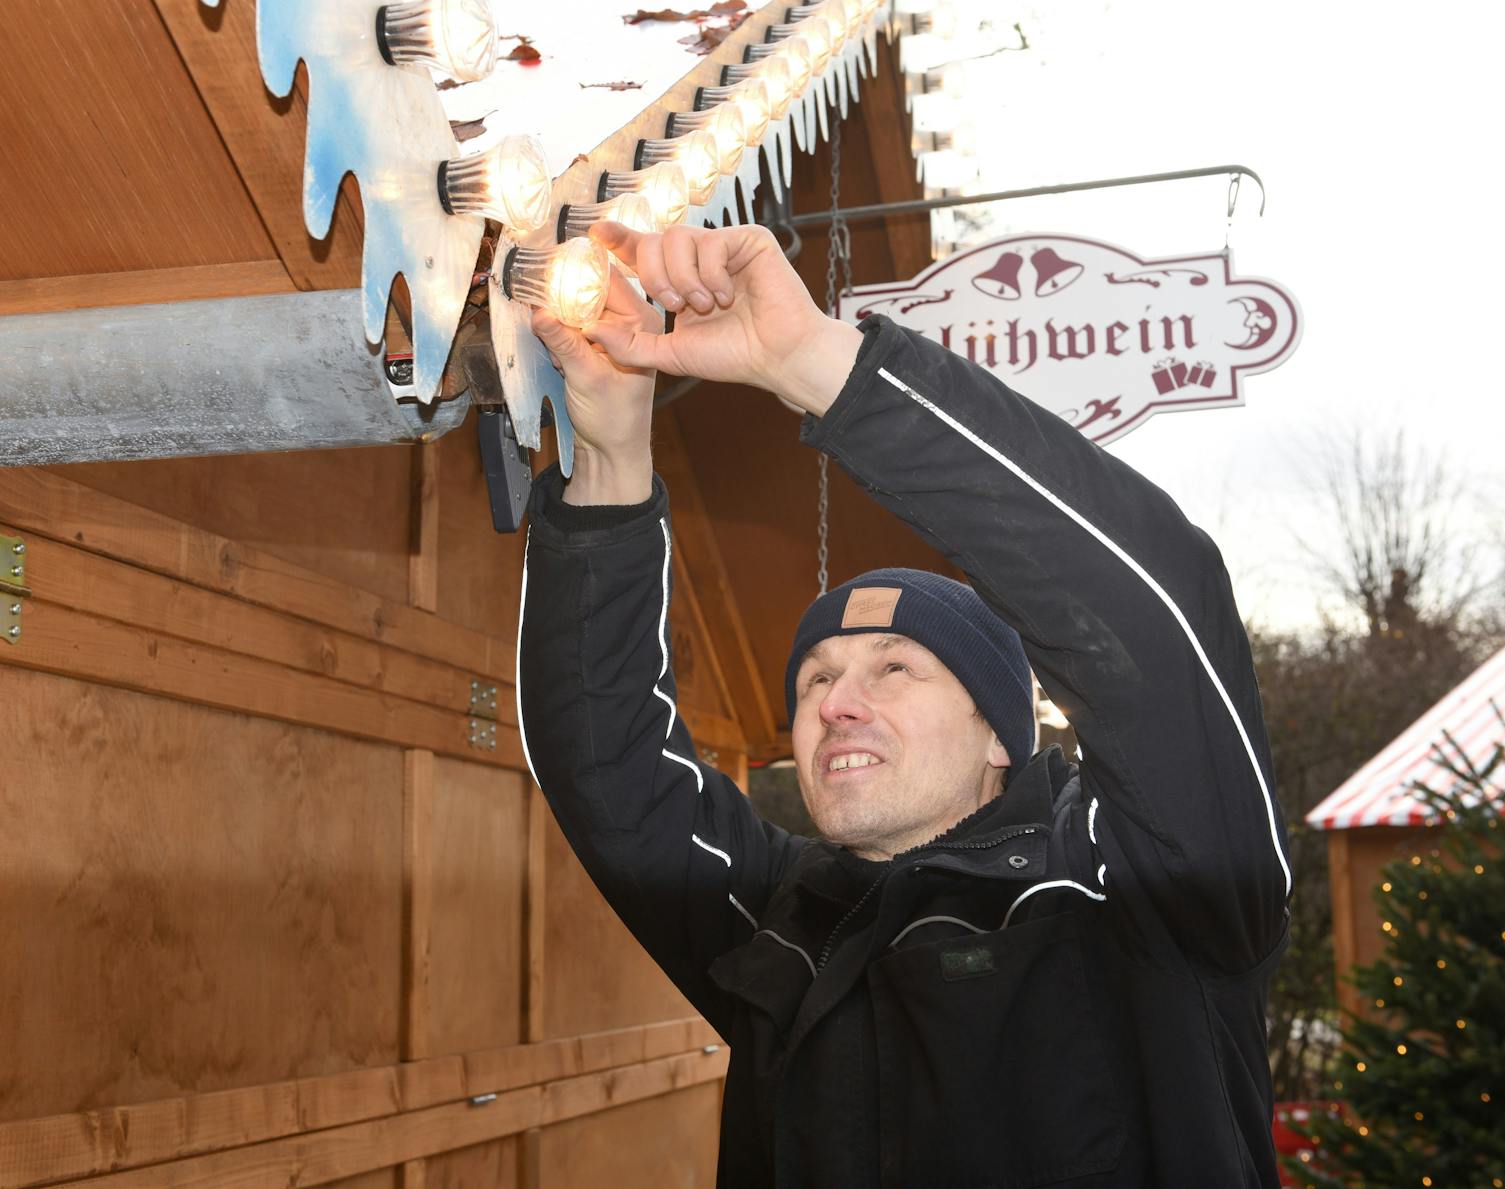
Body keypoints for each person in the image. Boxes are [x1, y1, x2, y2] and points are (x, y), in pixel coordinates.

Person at [517, 221, 1294, 1187]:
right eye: (815, 677)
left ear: (999, 735)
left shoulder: (1136, 885)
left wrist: (815, 363)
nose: (837, 702)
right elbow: (610, 768)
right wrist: (609, 454)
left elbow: (1158, 617)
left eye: (895, 668)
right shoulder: (785, 918)